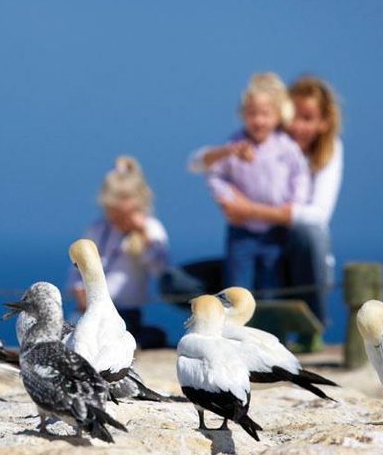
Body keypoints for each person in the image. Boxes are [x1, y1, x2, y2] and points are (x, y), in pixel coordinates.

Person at [216, 76, 343, 350]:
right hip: (254, 241)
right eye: (294, 116)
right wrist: (225, 196)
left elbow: (317, 216)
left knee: (310, 235)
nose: (297, 125)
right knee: (180, 283)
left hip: (298, 258)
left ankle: (312, 328)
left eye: (307, 118)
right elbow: (213, 169)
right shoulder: (266, 143)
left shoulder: (327, 152)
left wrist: (249, 210)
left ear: (324, 122)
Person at [189, 72, 311, 295]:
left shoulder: (286, 147)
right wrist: (226, 197)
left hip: (275, 231)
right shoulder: (235, 143)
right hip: (241, 230)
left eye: (265, 114)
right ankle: (233, 329)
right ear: (243, 114)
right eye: (252, 113)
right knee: (237, 288)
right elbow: (214, 174)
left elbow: (299, 175)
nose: (258, 120)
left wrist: (294, 203)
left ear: (278, 116)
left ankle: (271, 329)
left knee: (270, 287)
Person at [68, 156, 169, 348]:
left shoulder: (152, 229)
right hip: (90, 309)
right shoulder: (98, 229)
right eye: (114, 214)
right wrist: (79, 289)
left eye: (125, 215)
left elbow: (160, 270)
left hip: (125, 311)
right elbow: (76, 268)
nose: (119, 221)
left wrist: (143, 234)